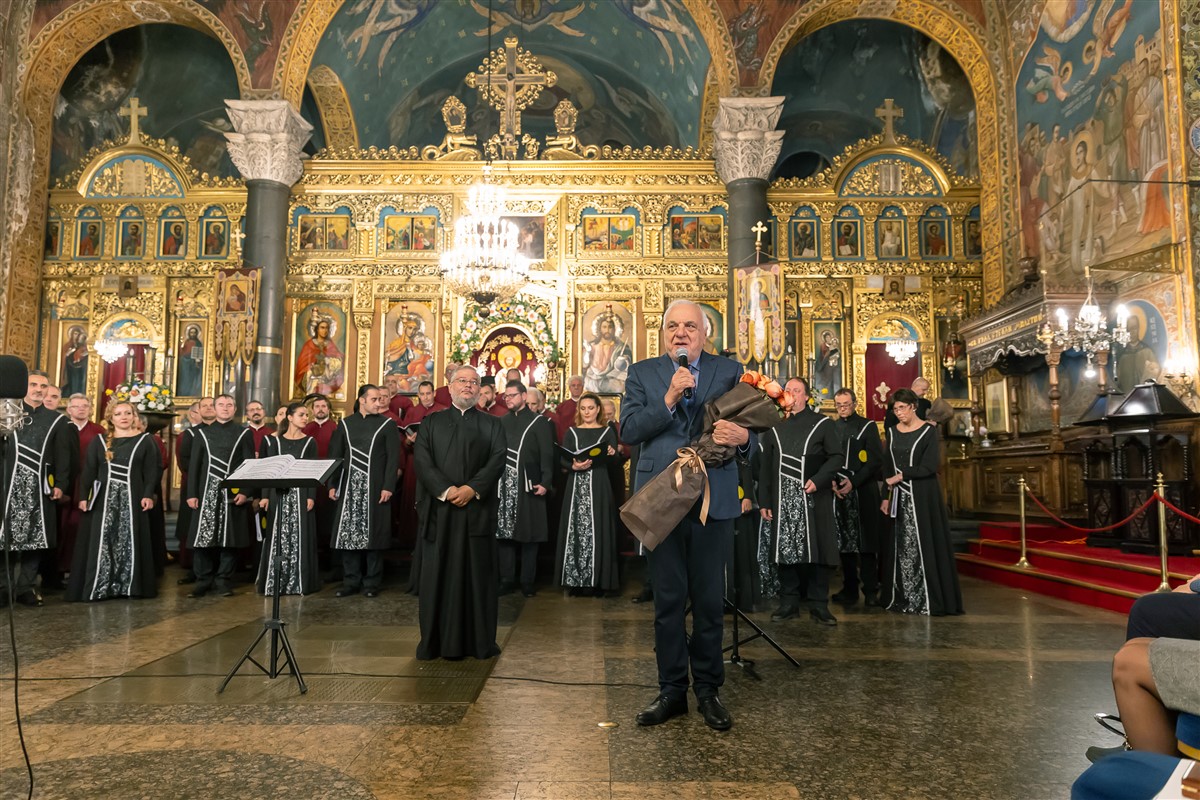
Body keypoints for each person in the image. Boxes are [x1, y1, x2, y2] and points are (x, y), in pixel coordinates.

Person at [620, 299, 751, 731]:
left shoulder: (729, 372)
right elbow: (631, 431)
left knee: (711, 602)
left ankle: (709, 690)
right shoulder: (643, 373)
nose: (681, 333)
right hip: (662, 500)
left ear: (704, 333)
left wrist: (745, 437)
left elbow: (756, 439)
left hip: (713, 500)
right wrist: (669, 397)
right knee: (668, 602)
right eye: (673, 326)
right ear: (663, 334)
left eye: (690, 326)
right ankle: (672, 690)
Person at [413, 365, 506, 660]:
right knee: (437, 578)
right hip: (440, 514)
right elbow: (423, 461)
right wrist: (446, 490)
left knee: (478, 579)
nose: (468, 385)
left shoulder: (493, 424)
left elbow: (497, 460)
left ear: (480, 390)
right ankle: (434, 643)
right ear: (450, 387)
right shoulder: (431, 422)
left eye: (474, 382)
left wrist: (471, 489)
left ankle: (480, 643)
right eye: (462, 381)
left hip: (477, 512)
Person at [758, 377, 844, 626]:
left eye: (798, 390)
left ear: (807, 396)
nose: (792, 394)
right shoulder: (774, 427)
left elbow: (836, 457)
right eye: (788, 390)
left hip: (815, 496)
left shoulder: (823, 424)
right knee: (784, 550)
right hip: (781, 499)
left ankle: (819, 605)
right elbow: (765, 469)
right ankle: (789, 604)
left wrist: (819, 480)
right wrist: (765, 500)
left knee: (819, 551)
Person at [880, 388, 963, 616]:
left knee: (924, 543)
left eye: (902, 408)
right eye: (895, 409)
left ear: (913, 406)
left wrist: (901, 476)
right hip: (897, 497)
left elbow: (929, 466)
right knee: (899, 546)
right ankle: (901, 596)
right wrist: (885, 498)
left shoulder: (928, 432)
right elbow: (887, 466)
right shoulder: (892, 432)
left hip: (922, 496)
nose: (899, 413)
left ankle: (926, 598)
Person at [66, 401, 162, 601]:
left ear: (135, 416)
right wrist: (84, 497)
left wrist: (147, 494)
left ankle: (129, 586)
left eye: (128, 413)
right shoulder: (99, 441)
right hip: (103, 501)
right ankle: (101, 587)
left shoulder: (146, 440)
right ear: (111, 418)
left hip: (134, 499)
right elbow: (88, 472)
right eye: (119, 414)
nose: (124, 417)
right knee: (104, 540)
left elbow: (152, 471)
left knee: (130, 540)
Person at [0, 371, 71, 607]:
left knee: (35, 539)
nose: (38, 389)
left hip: (39, 487)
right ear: (24, 386)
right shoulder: (6, 412)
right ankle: (3, 588)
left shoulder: (56, 420)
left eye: (43, 385)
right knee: (4, 538)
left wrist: (60, 484)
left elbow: (63, 455)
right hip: (6, 486)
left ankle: (25, 588)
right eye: (33, 384)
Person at [328, 385, 400, 598]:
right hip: (349, 489)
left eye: (381, 399)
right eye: (375, 399)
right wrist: (332, 484)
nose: (380, 403)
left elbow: (392, 458)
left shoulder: (387, 425)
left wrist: (388, 486)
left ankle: (371, 583)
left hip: (376, 489)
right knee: (348, 535)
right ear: (362, 400)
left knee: (374, 537)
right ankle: (351, 581)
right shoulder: (345, 424)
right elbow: (336, 456)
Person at [185, 394, 255, 598]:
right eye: (221, 405)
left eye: (230, 405)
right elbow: (195, 466)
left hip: (232, 495)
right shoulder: (202, 434)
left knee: (229, 539)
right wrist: (191, 494)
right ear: (214, 409)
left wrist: (246, 492)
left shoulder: (243, 434)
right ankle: (203, 581)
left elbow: (249, 465)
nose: (225, 408)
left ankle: (223, 580)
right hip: (205, 493)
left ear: (235, 409)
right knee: (202, 539)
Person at [556, 392, 620, 596]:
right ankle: (575, 582)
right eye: (583, 409)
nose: (587, 412)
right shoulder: (572, 432)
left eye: (590, 408)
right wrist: (573, 465)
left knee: (599, 527)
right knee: (575, 530)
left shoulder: (607, 431)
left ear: (598, 409)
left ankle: (598, 581)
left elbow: (614, 463)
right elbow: (563, 459)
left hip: (599, 485)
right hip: (575, 487)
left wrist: (612, 454)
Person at [496, 381, 555, 597]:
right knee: (504, 534)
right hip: (503, 486)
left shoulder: (539, 422)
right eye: (506, 396)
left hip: (529, 484)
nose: (509, 399)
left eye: (512, 395)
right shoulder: (500, 422)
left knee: (530, 535)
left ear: (523, 396)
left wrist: (546, 482)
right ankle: (506, 579)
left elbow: (547, 455)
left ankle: (527, 581)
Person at [257, 403, 321, 596]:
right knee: (277, 537)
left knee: (300, 535)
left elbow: (313, 471)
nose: (305, 418)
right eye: (301, 415)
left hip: (301, 494)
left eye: (307, 415)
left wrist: (311, 496)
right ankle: (276, 583)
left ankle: (299, 582)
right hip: (278, 495)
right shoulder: (274, 442)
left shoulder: (310, 442)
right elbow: (268, 470)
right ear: (290, 418)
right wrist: (265, 496)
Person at [830, 388, 884, 607]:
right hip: (839, 493)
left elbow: (875, 460)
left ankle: (871, 590)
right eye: (839, 405)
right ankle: (849, 588)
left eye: (846, 404)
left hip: (863, 491)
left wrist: (854, 481)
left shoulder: (868, 426)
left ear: (854, 403)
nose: (843, 408)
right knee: (844, 543)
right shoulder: (831, 428)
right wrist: (832, 482)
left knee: (866, 543)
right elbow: (828, 458)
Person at [399, 381, 446, 593]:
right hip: (414, 463)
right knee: (411, 499)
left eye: (429, 394)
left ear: (434, 394)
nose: (426, 397)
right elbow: (403, 441)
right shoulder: (413, 412)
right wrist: (409, 441)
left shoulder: (441, 411)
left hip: (436, 464)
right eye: (422, 394)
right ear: (418, 395)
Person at [57, 394, 105, 580]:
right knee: (63, 525)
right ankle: (60, 567)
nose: (81, 409)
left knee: (83, 524)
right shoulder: (61, 428)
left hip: (89, 484)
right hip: (65, 482)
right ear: (68, 409)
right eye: (76, 406)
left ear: (90, 409)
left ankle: (85, 567)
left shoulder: (99, 431)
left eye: (85, 406)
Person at [174, 399, 211, 585]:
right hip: (194, 487)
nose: (209, 409)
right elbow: (185, 463)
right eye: (204, 406)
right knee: (193, 528)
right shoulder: (189, 435)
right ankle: (194, 569)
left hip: (215, 488)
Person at [302, 394, 338, 573]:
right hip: (310, 479)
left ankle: (333, 566)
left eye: (324, 406)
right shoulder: (306, 428)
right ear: (312, 410)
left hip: (330, 480)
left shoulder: (336, 428)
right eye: (317, 406)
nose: (321, 409)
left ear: (329, 409)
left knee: (329, 522)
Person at [555, 375, 585, 442]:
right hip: (567, 441)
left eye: (579, 385)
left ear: (582, 387)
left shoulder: (589, 405)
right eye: (573, 385)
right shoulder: (561, 407)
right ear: (569, 388)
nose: (576, 387)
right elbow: (558, 428)